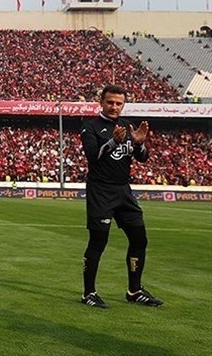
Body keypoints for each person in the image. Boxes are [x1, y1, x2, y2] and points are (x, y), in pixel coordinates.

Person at [79, 84, 163, 309]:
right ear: (101, 102)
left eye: (119, 103)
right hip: (101, 191)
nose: (114, 107)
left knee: (139, 239)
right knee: (98, 242)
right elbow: (93, 157)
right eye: (110, 102)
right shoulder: (91, 127)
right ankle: (89, 293)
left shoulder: (127, 125)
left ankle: (134, 291)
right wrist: (114, 142)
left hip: (124, 192)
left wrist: (139, 143)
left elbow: (142, 158)